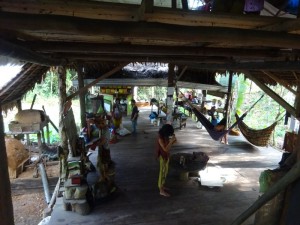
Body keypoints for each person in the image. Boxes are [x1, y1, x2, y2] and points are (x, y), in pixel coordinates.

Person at [157, 124, 177, 197]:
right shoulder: (160, 138)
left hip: (166, 156)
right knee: (162, 172)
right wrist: (171, 141)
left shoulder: (165, 136)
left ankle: (162, 185)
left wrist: (174, 140)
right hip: (162, 156)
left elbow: (172, 144)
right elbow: (165, 149)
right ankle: (161, 190)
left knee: (165, 171)